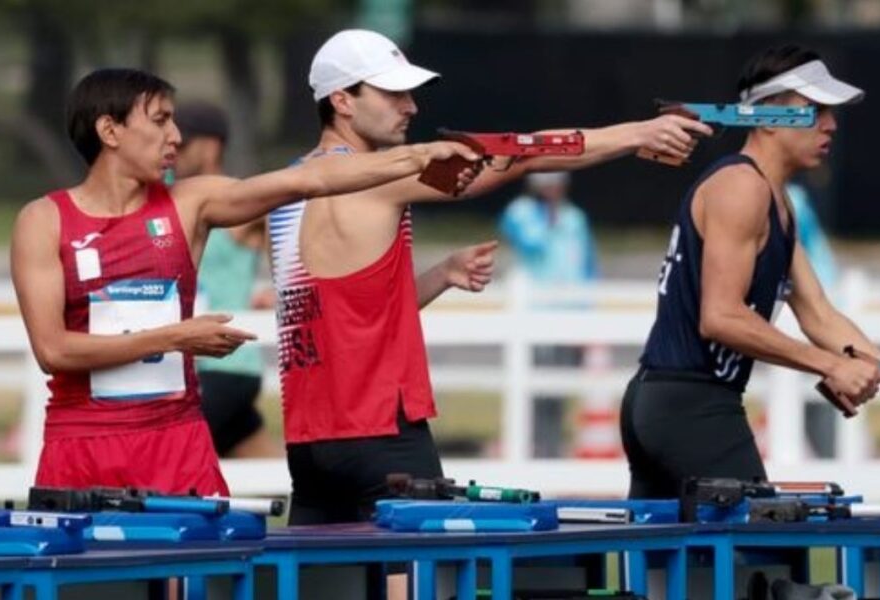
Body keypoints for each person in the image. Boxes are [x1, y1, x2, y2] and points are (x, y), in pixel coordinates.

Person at [273, 28, 713, 526]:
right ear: (342, 101)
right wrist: (638, 133)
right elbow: (522, 156)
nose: (411, 106)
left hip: (310, 444)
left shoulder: (289, 189)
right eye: (393, 93)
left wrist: (441, 274)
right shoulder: (382, 178)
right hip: (381, 433)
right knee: (420, 582)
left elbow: (351, 315)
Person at [9, 68, 479, 496]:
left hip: (178, 443)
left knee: (194, 589)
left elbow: (308, 181)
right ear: (109, 130)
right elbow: (54, 351)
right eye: (160, 121)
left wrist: (416, 156)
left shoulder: (191, 203)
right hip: (82, 443)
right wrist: (176, 337)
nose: (176, 137)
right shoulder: (44, 221)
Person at [620, 44, 880, 500]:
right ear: (769, 117)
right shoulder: (742, 188)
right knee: (769, 557)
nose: (831, 124)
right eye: (814, 111)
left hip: (671, 403)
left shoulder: (778, 202)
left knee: (669, 570)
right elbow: (721, 317)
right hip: (690, 405)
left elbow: (818, 315)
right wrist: (832, 365)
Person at [172, 101, 279, 459]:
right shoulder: (169, 199)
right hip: (186, 361)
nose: (174, 152)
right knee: (274, 476)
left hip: (227, 365)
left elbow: (296, 233)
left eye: (184, 145)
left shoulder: (241, 203)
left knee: (170, 462)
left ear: (212, 145)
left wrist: (282, 290)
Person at [499, 171, 598, 457]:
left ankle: (552, 449)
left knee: (558, 389)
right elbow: (530, 245)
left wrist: (587, 315)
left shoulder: (575, 218)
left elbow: (587, 265)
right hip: (535, 313)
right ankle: (533, 447)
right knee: (534, 390)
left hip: (571, 315)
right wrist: (548, 219)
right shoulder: (519, 213)